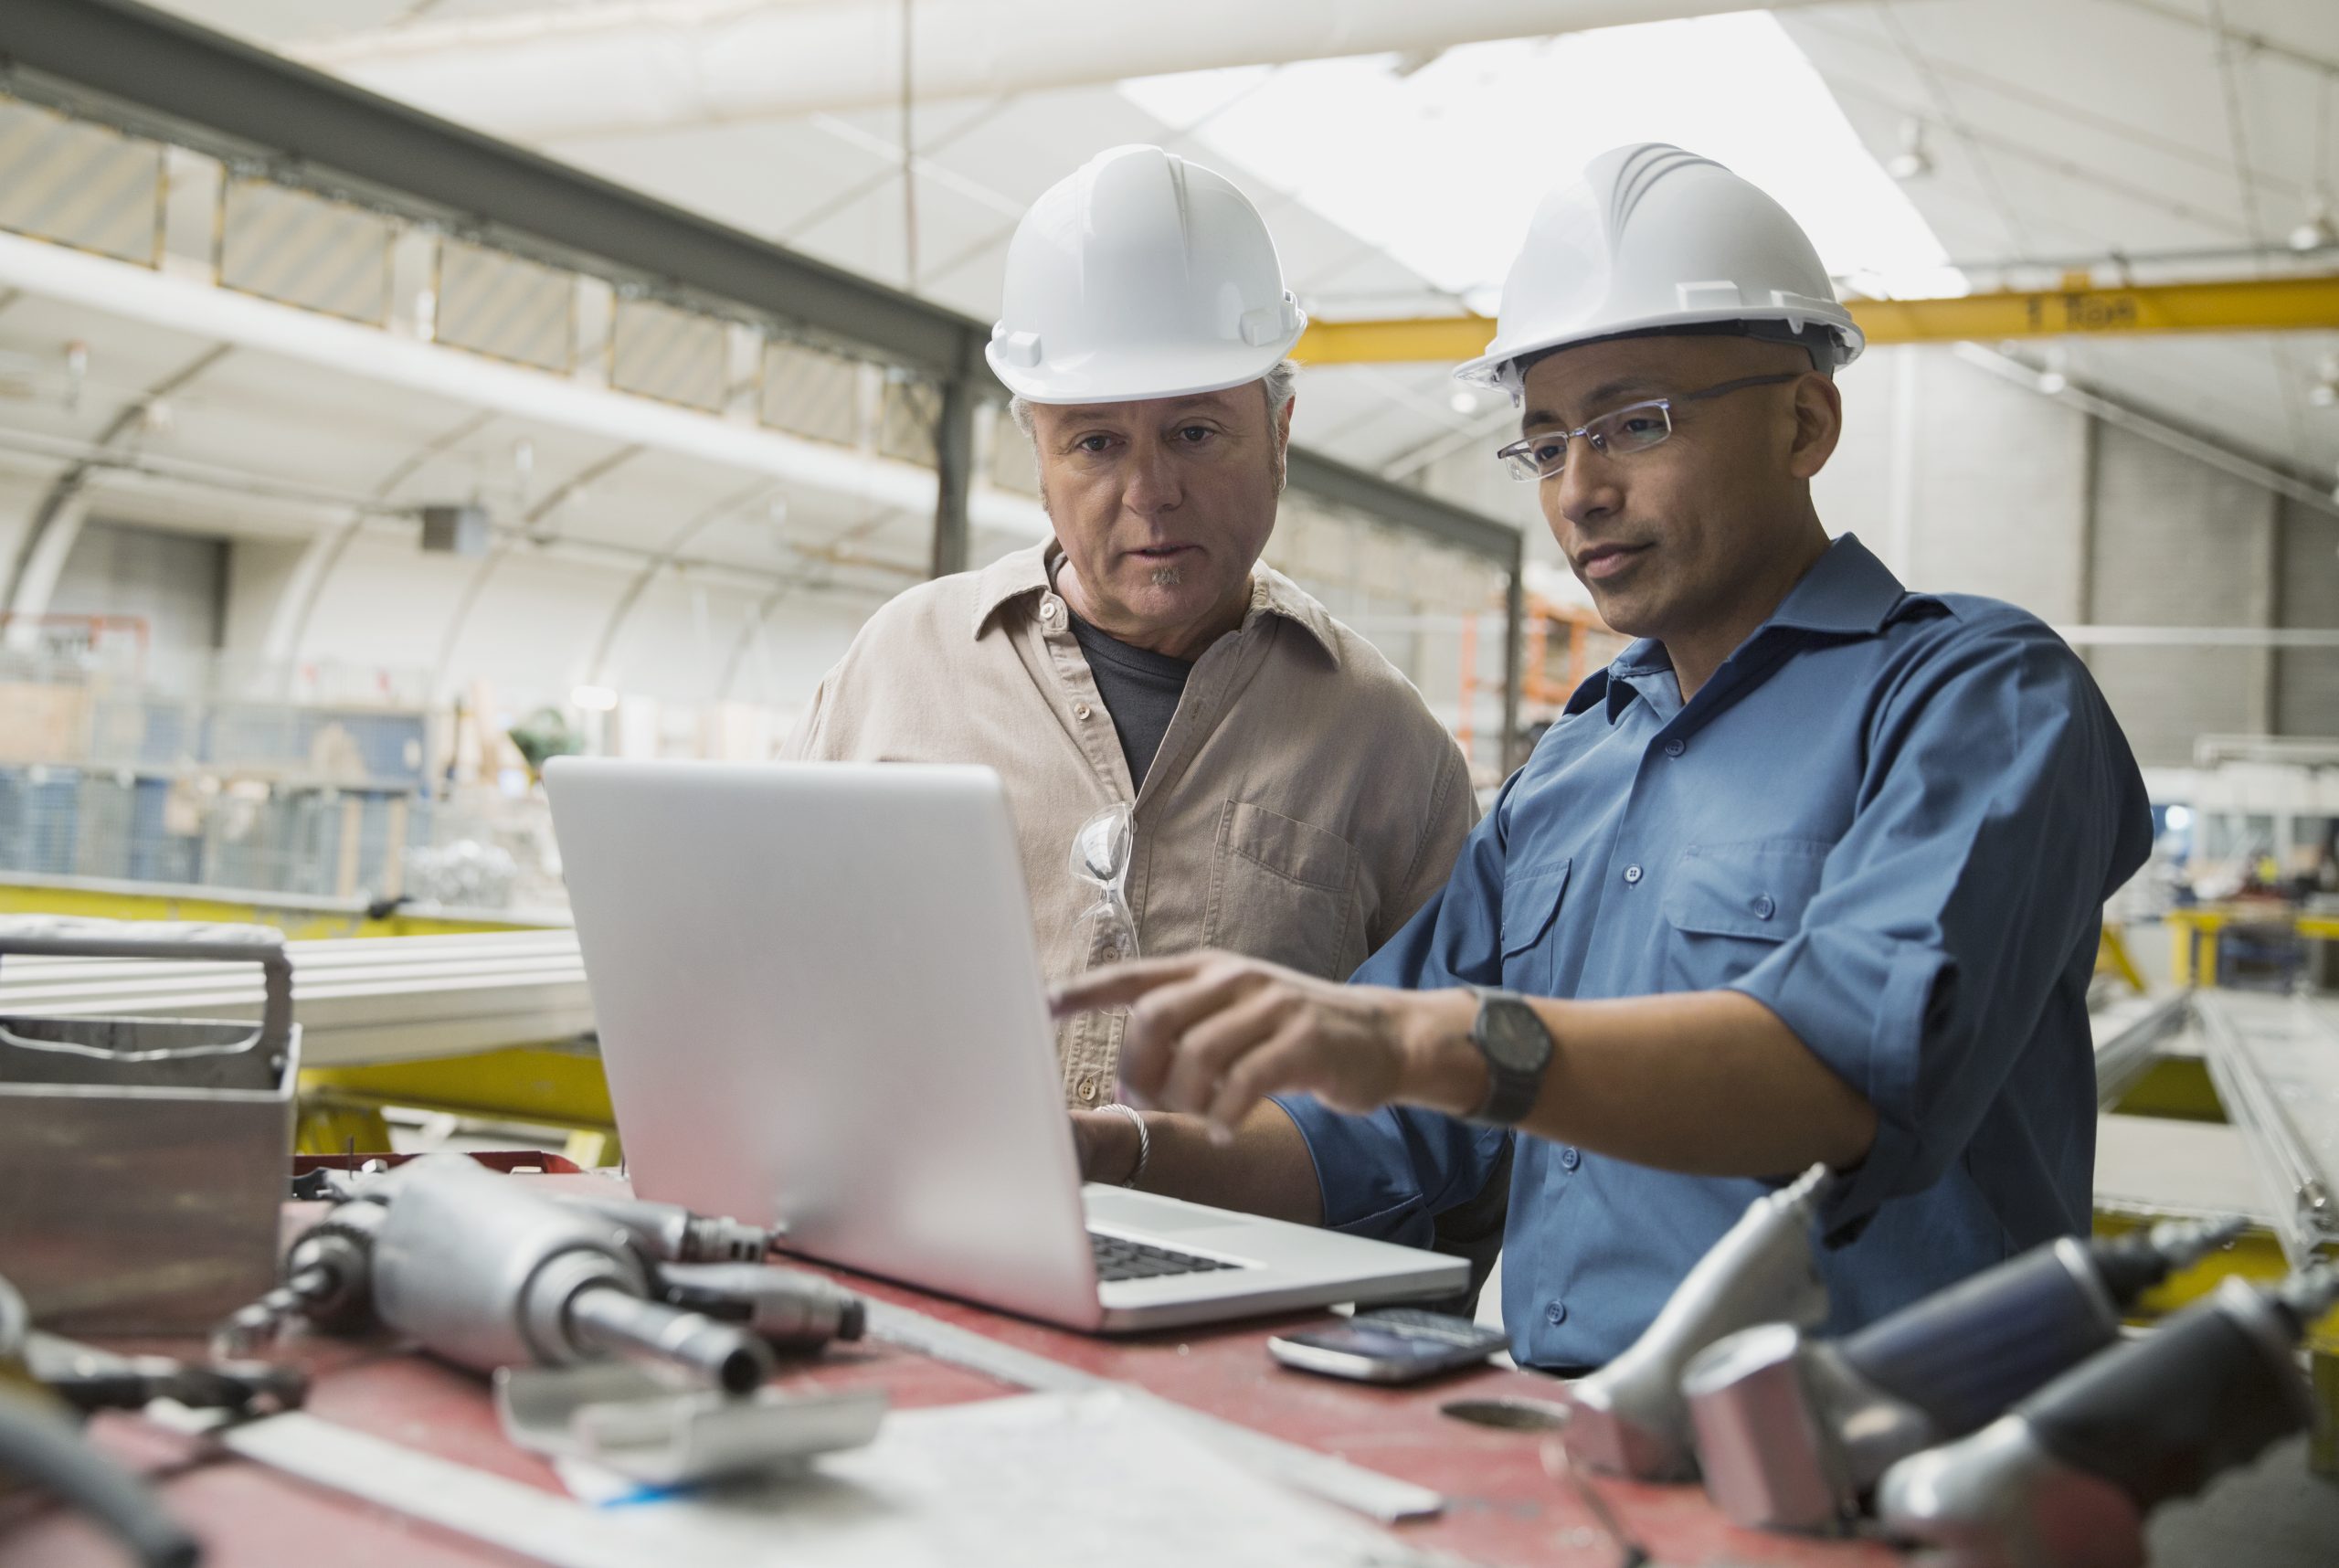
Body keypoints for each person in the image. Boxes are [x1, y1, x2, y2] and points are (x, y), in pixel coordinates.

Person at [1055, 143, 2154, 1372]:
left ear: (1806, 419)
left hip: (1887, 1470)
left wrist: (1420, 1038)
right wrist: (1122, 1154)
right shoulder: (1578, 762)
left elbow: (1844, 1076)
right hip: (1584, 1444)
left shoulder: (1977, 697)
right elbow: (1374, 1139)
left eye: (1636, 424)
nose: (1580, 491)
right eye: (1547, 445)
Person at [783, 143, 1478, 1122]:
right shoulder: (897, 669)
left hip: (1244, 1271)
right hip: (922, 1249)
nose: (1150, 494)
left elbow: (1443, 1128)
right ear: (1038, 456)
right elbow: (768, 973)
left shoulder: (1386, 748)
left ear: (1279, 436)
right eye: (1097, 444)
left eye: (1195, 433)